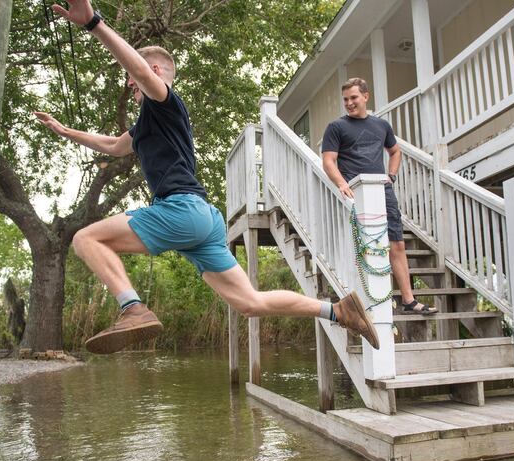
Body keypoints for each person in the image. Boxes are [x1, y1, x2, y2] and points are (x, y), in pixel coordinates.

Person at [33, 0, 380, 353]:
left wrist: (93, 22)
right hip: (203, 222)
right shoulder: (145, 127)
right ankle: (339, 310)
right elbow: (114, 145)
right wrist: (66, 132)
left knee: (86, 240)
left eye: (134, 82)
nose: (132, 88)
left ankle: (132, 308)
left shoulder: (165, 102)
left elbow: (139, 74)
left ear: (154, 71)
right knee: (249, 303)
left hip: (181, 210)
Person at [322, 78, 438, 315]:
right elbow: (328, 161)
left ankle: (408, 299)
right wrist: (342, 184)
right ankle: (366, 302)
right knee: (366, 245)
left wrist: (391, 175)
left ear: (366, 96)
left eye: (353, 97)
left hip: (383, 191)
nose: (349, 103)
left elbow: (395, 152)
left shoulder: (381, 126)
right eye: (345, 99)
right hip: (356, 192)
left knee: (397, 243)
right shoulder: (337, 127)